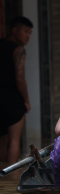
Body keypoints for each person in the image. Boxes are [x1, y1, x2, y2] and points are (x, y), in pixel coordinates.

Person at [0, 16, 33, 164]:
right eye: (26, 31)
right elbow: (20, 78)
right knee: (14, 141)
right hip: (13, 101)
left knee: (2, 140)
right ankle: (10, 177)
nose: (28, 36)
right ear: (14, 30)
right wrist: (26, 100)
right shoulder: (19, 50)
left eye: (30, 33)